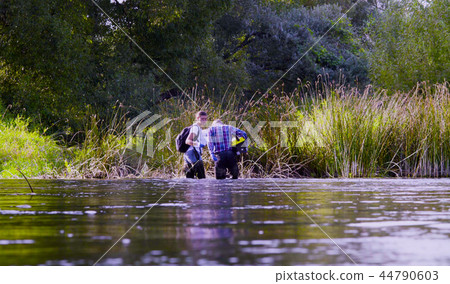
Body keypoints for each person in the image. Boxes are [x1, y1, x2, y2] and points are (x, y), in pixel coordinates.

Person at [184, 111, 208, 179]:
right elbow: (187, 141)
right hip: (192, 153)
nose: (204, 121)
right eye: (202, 119)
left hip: (190, 153)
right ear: (197, 118)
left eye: (205, 119)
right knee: (201, 177)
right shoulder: (195, 128)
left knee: (190, 178)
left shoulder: (198, 128)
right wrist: (198, 144)